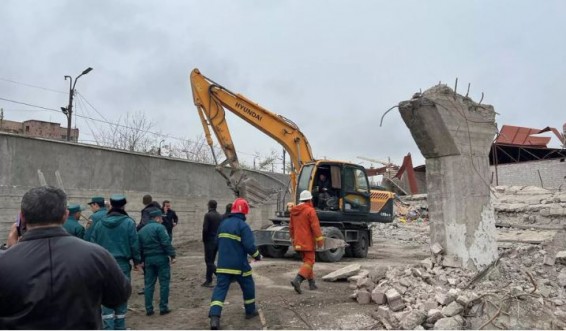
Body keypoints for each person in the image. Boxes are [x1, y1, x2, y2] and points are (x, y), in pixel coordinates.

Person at [0, 186, 131, 329]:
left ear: (22, 217)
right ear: (65, 215)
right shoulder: (97, 256)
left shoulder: (4, 262)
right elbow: (119, 296)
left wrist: (8, 251)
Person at [91, 194, 142, 330]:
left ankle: (108, 328)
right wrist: (137, 262)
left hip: (103, 265)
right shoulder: (129, 223)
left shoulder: (100, 223)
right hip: (122, 265)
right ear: (124, 206)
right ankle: (120, 327)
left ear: (111, 206)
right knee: (121, 294)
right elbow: (134, 244)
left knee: (106, 298)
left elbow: (93, 244)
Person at [209, 198, 261, 330]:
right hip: (239, 265)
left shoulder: (223, 224)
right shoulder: (243, 226)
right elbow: (249, 246)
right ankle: (250, 311)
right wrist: (257, 256)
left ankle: (214, 317)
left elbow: (216, 242)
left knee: (220, 289)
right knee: (248, 285)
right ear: (244, 211)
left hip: (222, 265)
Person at [138, 208, 176, 316]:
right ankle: (163, 307)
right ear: (157, 218)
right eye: (161, 218)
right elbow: (165, 242)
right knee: (164, 283)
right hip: (161, 258)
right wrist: (172, 255)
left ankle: (149, 309)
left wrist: (140, 261)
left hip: (148, 260)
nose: (163, 220)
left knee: (149, 284)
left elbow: (139, 248)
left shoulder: (142, 230)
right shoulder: (160, 228)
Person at [289, 190, 325, 294]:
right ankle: (298, 280)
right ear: (309, 199)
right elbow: (315, 227)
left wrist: (293, 239)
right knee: (310, 261)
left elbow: (291, 227)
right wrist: (320, 240)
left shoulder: (293, 211)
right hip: (307, 241)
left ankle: (312, 283)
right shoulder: (310, 211)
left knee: (307, 263)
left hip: (298, 241)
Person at [202, 199, 222, 287]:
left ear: (209, 206)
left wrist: (204, 239)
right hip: (217, 240)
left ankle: (220, 276)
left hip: (209, 241)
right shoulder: (219, 216)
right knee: (211, 261)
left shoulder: (208, 215)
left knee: (208, 261)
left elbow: (205, 229)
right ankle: (208, 280)